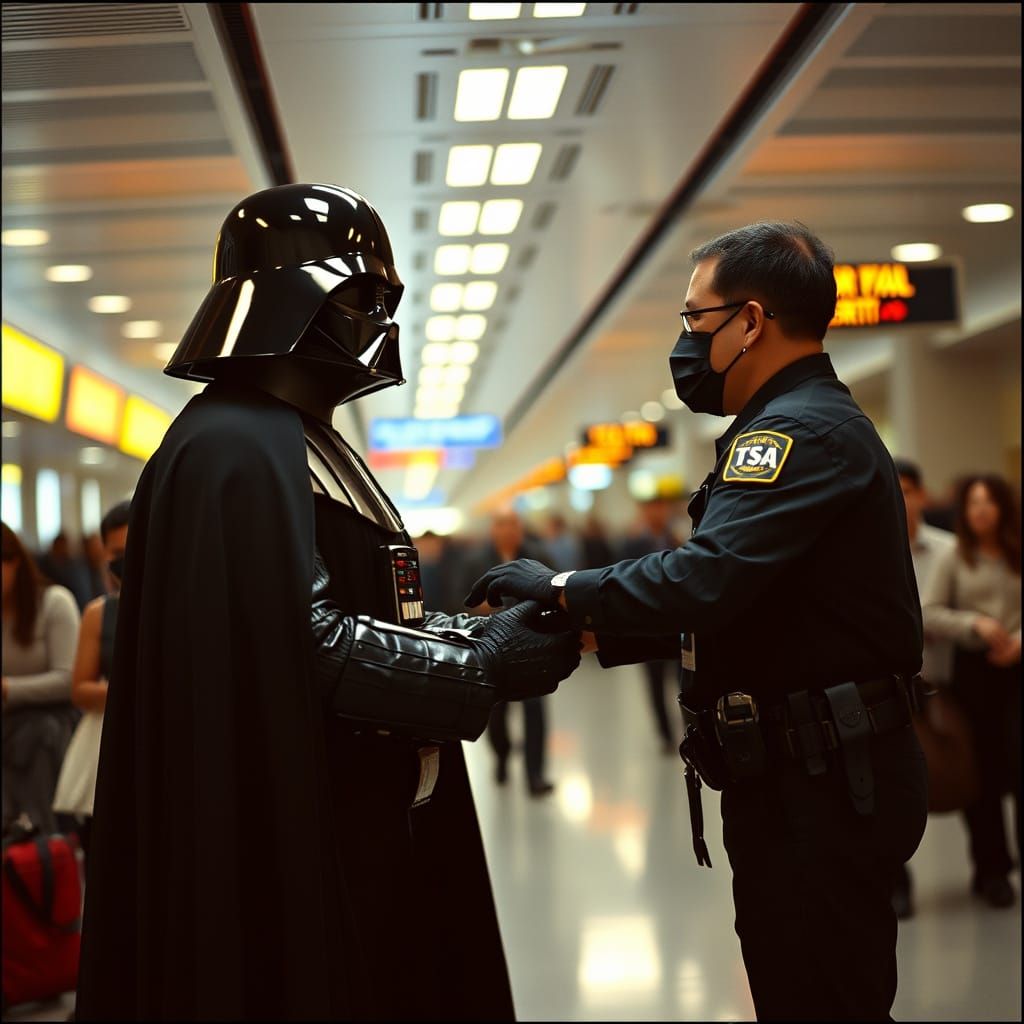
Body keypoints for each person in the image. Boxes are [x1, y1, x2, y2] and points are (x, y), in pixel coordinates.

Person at [76, 183, 580, 1021]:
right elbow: (300, 643)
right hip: (299, 833)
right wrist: (479, 663)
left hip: (365, 820)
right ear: (286, 298)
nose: (379, 319)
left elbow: (353, 615)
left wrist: (468, 633)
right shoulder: (231, 444)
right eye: (361, 295)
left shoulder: (295, 439)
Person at [467, 221, 928, 1021]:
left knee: (823, 998)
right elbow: (754, 602)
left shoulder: (798, 432)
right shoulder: (787, 424)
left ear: (750, 322)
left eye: (694, 318)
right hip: (803, 773)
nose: (685, 342)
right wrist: (588, 630)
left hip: (821, 780)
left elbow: (707, 579)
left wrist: (562, 586)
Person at [922, 473, 1021, 909]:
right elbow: (929, 612)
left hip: (1016, 668)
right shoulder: (955, 556)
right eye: (973, 503)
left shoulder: (1016, 552)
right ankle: (992, 870)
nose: (981, 510)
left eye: (989, 502)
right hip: (974, 676)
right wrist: (974, 625)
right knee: (984, 774)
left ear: (1003, 508)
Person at [889, 458, 956, 919]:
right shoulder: (867, 550)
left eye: (908, 490)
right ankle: (898, 883)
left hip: (947, 682)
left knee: (970, 773)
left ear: (923, 495)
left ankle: (991, 869)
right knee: (892, 794)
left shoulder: (950, 550)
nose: (901, 500)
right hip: (893, 693)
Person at [52, 500, 131, 861]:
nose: (123, 562)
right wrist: (127, 692)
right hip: (106, 742)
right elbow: (79, 688)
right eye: (116, 554)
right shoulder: (99, 614)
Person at [464, 506, 557, 796]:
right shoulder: (476, 561)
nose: (508, 530)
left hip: (534, 646)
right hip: (493, 649)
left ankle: (535, 774)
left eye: (513, 523)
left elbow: (557, 592)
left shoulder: (537, 557)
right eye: (502, 524)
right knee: (496, 713)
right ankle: (502, 755)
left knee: (535, 709)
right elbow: (461, 600)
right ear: (493, 529)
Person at [2, 521, 82, 835]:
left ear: (14, 562)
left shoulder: (54, 602)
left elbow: (69, 680)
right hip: (9, 726)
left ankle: (44, 842)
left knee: (38, 735)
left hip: (48, 727)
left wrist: (8, 688)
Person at [618, 498, 685, 753]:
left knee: (683, 679)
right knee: (655, 683)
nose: (658, 513)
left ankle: (688, 729)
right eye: (653, 508)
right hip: (648, 624)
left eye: (662, 508)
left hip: (676, 623)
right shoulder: (633, 542)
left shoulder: (675, 538)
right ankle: (666, 735)